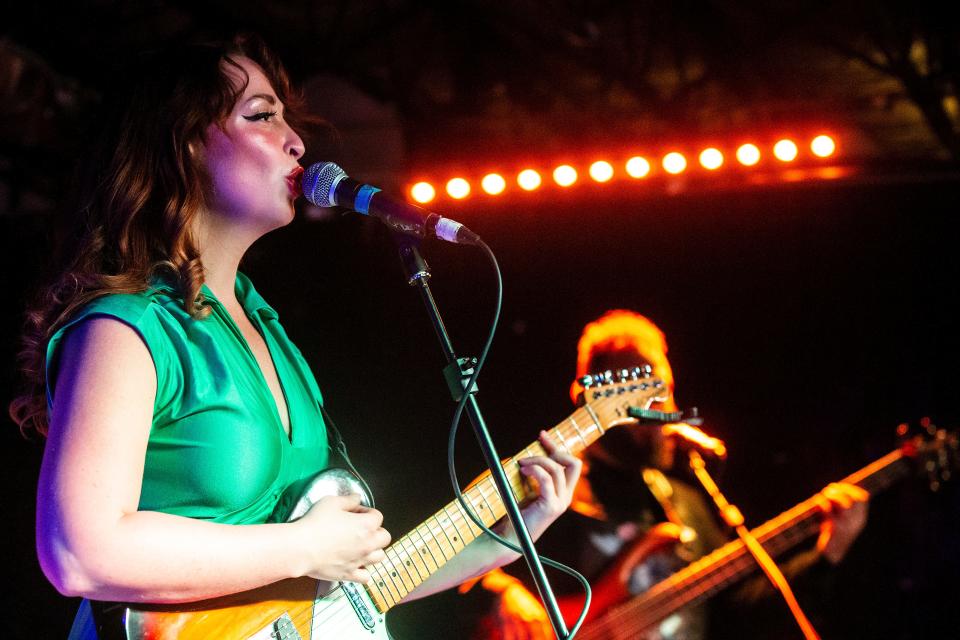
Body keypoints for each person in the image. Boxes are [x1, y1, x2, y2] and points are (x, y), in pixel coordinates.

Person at [8, 34, 581, 638]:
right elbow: (80, 552)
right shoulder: (125, 326)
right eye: (261, 115)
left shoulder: (267, 329)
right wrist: (304, 546)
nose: (297, 142)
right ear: (182, 148)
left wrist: (503, 538)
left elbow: (341, 592)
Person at [464, 309, 868, 639]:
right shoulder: (545, 487)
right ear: (590, 400)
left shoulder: (684, 501)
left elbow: (742, 607)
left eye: (663, 391)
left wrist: (828, 552)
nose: (660, 409)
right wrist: (498, 590)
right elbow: (443, 565)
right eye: (638, 395)